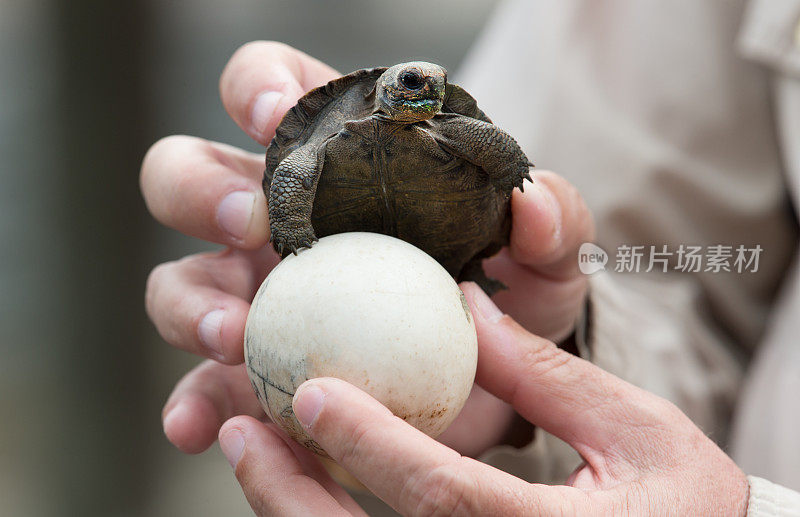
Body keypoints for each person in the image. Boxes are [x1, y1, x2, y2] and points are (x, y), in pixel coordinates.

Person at [141, 0, 800, 513]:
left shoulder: (456, 133)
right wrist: (547, 374)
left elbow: (503, 155)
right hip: (366, 249)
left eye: (432, 85)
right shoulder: (335, 132)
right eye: (409, 83)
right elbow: (673, 275)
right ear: (388, 91)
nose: (423, 91)